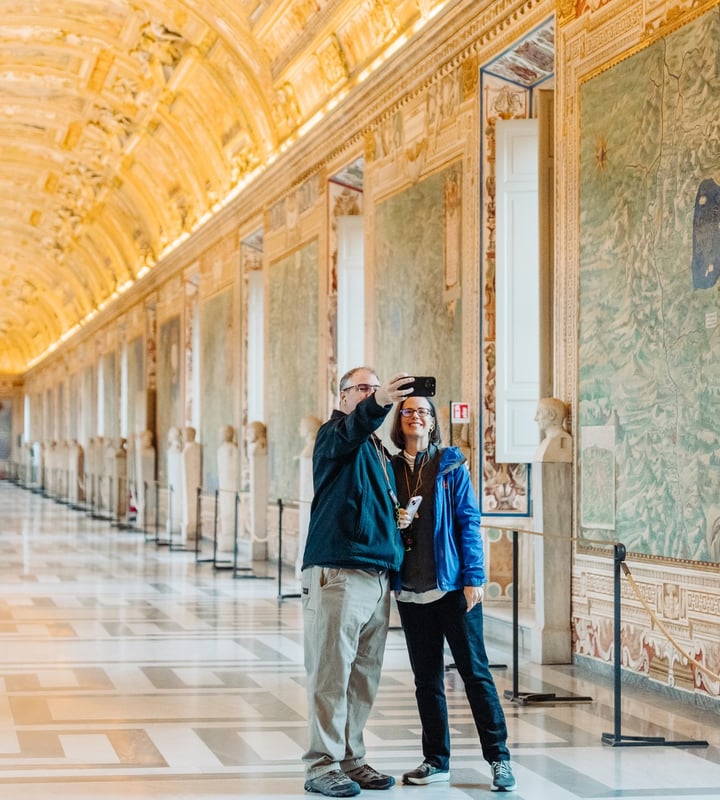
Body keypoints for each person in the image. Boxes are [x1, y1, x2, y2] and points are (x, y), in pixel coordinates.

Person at [389, 393, 517, 792]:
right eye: (408, 411)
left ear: (432, 422)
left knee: (475, 673)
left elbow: (468, 520)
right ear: (400, 420)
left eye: (423, 412)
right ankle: (436, 759)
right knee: (426, 680)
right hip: (411, 589)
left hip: (452, 587)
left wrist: (475, 576)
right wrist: (400, 521)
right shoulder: (389, 468)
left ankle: (499, 758)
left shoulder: (450, 465)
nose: (416, 418)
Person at [301, 367, 414, 798]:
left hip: (376, 575)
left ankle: (350, 757)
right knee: (330, 674)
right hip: (340, 572)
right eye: (364, 388)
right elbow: (352, 429)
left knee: (363, 676)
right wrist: (380, 401)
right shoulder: (334, 434)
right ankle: (320, 765)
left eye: (376, 387)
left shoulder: (376, 449)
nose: (373, 394)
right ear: (345, 395)